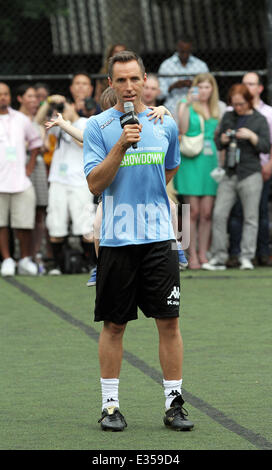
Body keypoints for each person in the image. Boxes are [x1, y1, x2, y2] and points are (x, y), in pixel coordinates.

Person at [83, 50, 194, 432]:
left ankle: (174, 403)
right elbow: (95, 184)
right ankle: (110, 406)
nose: (129, 87)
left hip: (160, 238)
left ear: (145, 79)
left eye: (135, 79)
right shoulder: (98, 126)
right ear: (110, 84)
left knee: (169, 321)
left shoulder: (163, 123)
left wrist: (147, 201)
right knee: (114, 325)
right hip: (115, 241)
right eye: (121, 80)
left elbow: (171, 166)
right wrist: (120, 148)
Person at [202, 83, 270, 271]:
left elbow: (265, 146)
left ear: (249, 101)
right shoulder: (228, 116)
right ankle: (219, 256)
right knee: (219, 214)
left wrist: (251, 136)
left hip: (250, 173)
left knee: (251, 217)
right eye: (234, 104)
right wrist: (222, 140)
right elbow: (217, 142)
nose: (237, 108)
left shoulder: (259, 119)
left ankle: (247, 257)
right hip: (230, 172)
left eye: (241, 104)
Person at [174, 73, 223, 269]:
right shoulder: (186, 104)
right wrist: (186, 104)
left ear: (212, 89)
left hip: (210, 160)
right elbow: (183, 130)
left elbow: (219, 136)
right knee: (191, 211)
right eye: (200, 87)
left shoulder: (217, 108)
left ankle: (203, 253)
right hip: (190, 158)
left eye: (207, 87)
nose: (203, 91)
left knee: (207, 212)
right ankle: (190, 254)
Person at [45, 99, 96, 275]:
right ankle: (57, 266)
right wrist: (49, 102)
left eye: (65, 106)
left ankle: (91, 264)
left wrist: (65, 123)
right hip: (58, 179)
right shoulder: (56, 122)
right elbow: (45, 144)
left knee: (85, 226)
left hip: (79, 180)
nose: (62, 110)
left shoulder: (85, 122)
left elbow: (83, 143)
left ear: (73, 106)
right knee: (56, 224)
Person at [227, 72, 272, 267]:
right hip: (237, 170)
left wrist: (269, 166)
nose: (248, 87)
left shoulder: (268, 113)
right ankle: (235, 254)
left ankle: (261, 254)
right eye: (245, 83)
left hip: (261, 168)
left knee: (259, 214)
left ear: (260, 88)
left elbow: (268, 144)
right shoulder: (232, 112)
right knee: (236, 214)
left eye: (252, 84)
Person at [0, 82, 43, 276]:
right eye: (0, 94)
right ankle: (7, 259)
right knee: (1, 224)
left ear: (11, 97)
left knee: (25, 223)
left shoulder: (21, 119)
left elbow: (36, 143)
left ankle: (25, 259)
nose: (3, 97)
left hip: (21, 180)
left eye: (6, 94)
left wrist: (30, 167)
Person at [16, 84, 49, 261]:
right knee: (21, 211)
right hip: (18, 167)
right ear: (20, 98)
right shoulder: (14, 118)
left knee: (39, 212)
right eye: (29, 96)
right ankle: (21, 254)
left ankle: (37, 254)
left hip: (38, 166)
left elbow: (45, 145)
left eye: (36, 97)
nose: (34, 100)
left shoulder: (38, 121)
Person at [157, 35, 209, 119]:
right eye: (182, 51)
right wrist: (173, 86)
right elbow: (159, 95)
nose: (184, 54)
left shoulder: (201, 66)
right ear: (177, 48)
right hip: (172, 107)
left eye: (187, 51)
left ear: (191, 49)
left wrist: (195, 85)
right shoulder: (166, 65)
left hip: (196, 106)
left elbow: (208, 90)